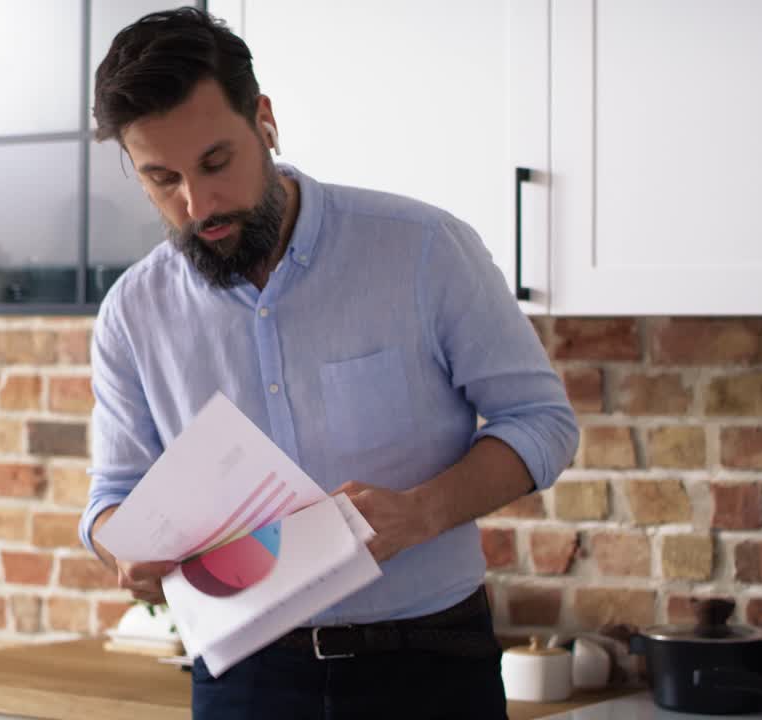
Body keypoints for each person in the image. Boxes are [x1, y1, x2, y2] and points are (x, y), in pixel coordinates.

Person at [79, 8, 579, 719]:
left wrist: (421, 513)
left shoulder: (425, 250)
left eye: (216, 163)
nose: (198, 203)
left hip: (429, 664)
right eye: (163, 179)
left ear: (264, 121)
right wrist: (121, 548)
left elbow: (544, 424)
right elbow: (110, 498)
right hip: (243, 679)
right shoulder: (133, 314)